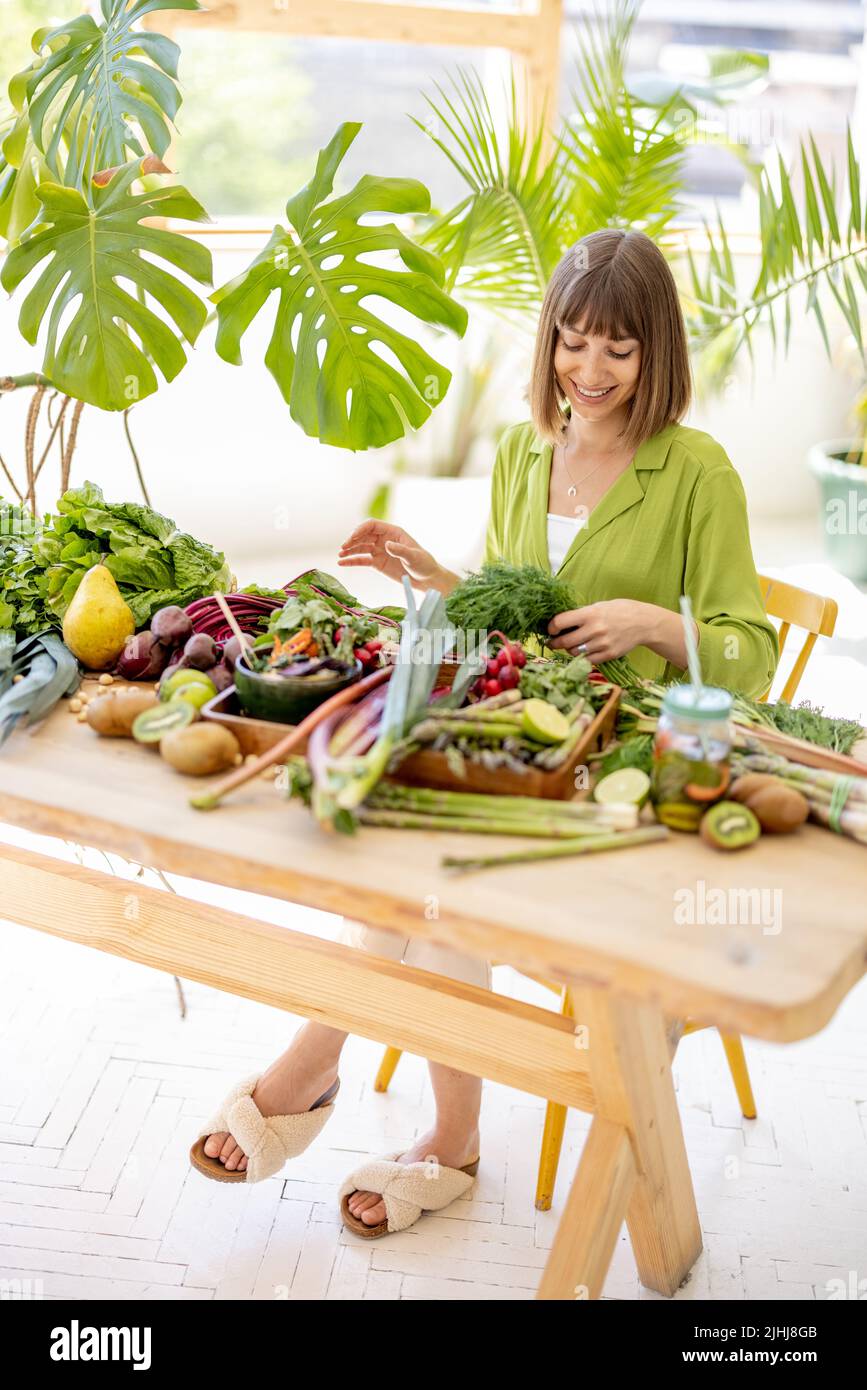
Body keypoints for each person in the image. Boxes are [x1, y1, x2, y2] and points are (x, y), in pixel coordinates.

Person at [189, 228, 779, 1237]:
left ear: (658, 355)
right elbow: (500, 613)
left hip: (619, 757)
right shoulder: (521, 451)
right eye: (574, 342)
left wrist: (652, 623)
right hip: (513, 741)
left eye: (619, 351)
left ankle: (337, 1077)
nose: (590, 372)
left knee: (430, 874)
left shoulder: (696, 472)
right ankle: (422, 1122)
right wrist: (423, 567)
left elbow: (750, 651)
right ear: (550, 338)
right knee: (409, 856)